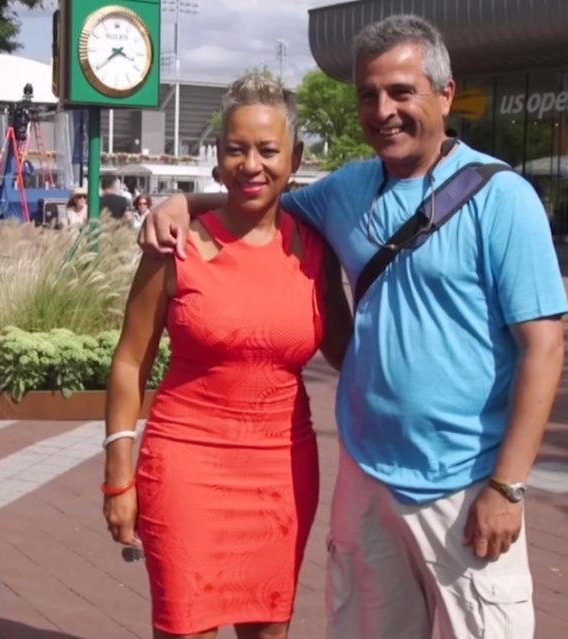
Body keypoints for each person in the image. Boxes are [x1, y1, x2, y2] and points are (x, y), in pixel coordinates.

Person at [139, 15, 567, 639]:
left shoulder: (502, 198)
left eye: (401, 91)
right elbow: (257, 196)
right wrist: (180, 202)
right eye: (369, 94)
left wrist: (508, 485)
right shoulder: (347, 190)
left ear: (445, 95)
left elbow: (544, 347)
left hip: (466, 484)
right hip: (366, 482)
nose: (383, 111)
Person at [104, 73, 352, 639]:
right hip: (185, 466)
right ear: (217, 155)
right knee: (185, 626)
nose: (251, 165)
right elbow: (129, 361)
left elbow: (347, 352)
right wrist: (118, 475)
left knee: (269, 630)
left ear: (296, 157)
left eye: (268, 150)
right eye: (237, 149)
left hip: (283, 474)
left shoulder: (316, 249)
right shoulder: (174, 245)